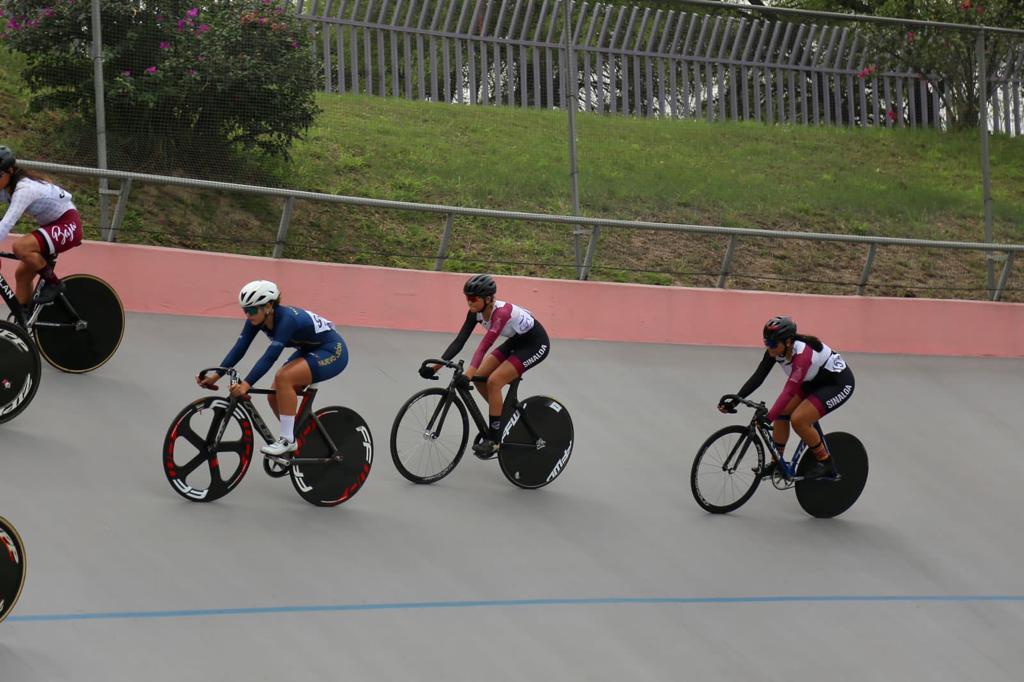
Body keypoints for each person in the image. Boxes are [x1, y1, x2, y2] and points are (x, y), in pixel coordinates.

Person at [198, 280, 349, 458]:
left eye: (252, 310)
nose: (248, 314)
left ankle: (287, 440)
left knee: (284, 377)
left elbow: (270, 356)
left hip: (332, 351)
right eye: (244, 310)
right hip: (309, 350)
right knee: (274, 396)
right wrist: (216, 376)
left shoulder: (287, 320)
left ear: (268, 306)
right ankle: (302, 439)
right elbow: (240, 348)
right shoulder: (257, 319)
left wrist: (246, 385)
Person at [422, 274, 550, 457]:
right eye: (467, 298)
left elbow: (483, 347)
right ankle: (505, 417)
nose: (469, 302)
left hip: (535, 345)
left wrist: (467, 374)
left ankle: (495, 440)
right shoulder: (475, 313)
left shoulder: (501, 314)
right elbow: (459, 341)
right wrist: (434, 367)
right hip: (516, 341)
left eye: (473, 299)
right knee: (479, 378)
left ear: (488, 299)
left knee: (494, 381)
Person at [718, 316, 855, 479]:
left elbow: (789, 391)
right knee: (782, 414)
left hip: (837, 384)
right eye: (766, 343)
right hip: (811, 381)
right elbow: (758, 377)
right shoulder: (775, 350)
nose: (769, 348)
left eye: (773, 344)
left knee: (799, 420)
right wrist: (735, 401)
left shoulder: (803, 355)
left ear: (788, 342)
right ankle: (777, 463)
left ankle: (824, 461)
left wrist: (768, 418)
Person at [0, 146, 82, 308]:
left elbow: (6, 224)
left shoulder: (25, 189)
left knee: (21, 247)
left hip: (68, 224)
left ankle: (54, 283)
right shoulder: (7, 187)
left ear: (10, 170)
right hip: (52, 226)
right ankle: (21, 325)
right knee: (22, 275)